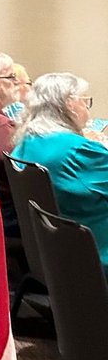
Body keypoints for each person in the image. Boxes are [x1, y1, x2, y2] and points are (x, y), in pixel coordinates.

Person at [12, 72, 108, 272]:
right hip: (95, 254)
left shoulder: (25, 143)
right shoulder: (78, 152)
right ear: (70, 104)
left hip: (54, 255)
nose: (86, 109)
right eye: (85, 102)